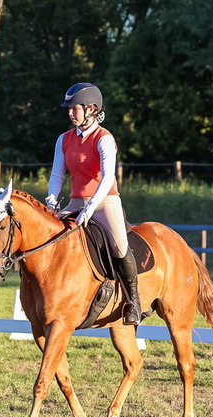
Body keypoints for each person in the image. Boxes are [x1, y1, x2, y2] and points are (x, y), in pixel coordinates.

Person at [44, 82, 142, 325]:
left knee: (120, 247)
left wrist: (90, 207)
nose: (70, 113)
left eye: (74, 109)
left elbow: (108, 177)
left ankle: (134, 302)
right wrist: (52, 200)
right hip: (75, 202)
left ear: (91, 109)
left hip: (104, 202)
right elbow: (58, 174)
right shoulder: (64, 139)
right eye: (69, 109)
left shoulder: (104, 139)